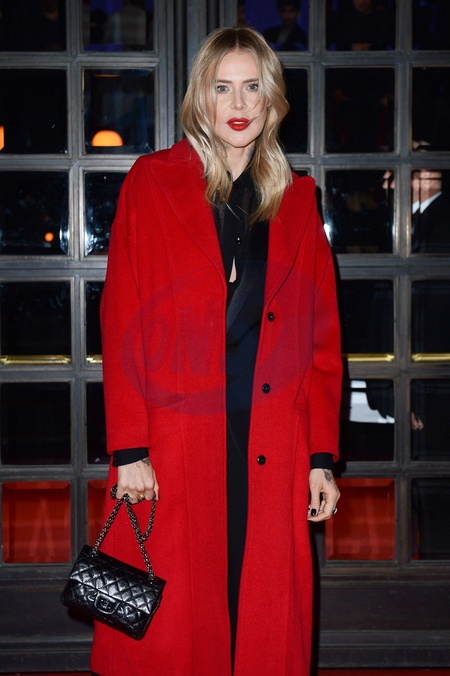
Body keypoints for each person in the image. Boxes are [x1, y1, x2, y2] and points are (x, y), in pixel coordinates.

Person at [90, 25, 342, 676]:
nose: (238, 102)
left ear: (271, 99)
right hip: (175, 440)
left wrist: (319, 456)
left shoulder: (299, 199)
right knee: (177, 623)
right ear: (200, 97)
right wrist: (129, 448)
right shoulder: (152, 182)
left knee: (258, 608)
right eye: (221, 86)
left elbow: (321, 341)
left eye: (252, 87)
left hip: (270, 439)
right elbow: (122, 321)